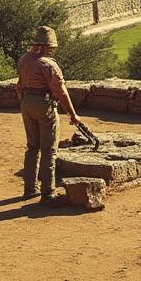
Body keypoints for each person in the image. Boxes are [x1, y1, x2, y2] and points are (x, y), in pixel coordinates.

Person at [17, 26, 82, 203]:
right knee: (49, 150)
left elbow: (19, 85)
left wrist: (24, 102)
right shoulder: (48, 64)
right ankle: (48, 192)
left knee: (32, 147)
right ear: (49, 46)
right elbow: (61, 92)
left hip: (27, 102)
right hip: (43, 104)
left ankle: (30, 189)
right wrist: (73, 114)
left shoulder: (24, 59)